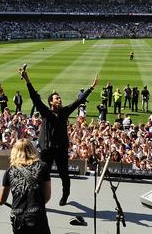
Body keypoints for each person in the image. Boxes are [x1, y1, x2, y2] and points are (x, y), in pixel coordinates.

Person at [19, 67, 97, 206]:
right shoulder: (45, 112)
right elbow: (34, 98)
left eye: (59, 98)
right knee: (41, 174)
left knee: (64, 175)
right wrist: (27, 80)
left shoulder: (65, 111)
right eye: (56, 98)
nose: (59, 99)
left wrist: (90, 88)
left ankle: (65, 194)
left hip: (60, 149)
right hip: (46, 149)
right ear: (51, 102)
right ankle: (38, 198)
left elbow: (78, 102)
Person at [0, 139, 51, 234]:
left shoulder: (10, 171)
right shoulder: (43, 166)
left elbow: (2, 200)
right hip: (37, 216)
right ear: (32, 150)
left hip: (18, 218)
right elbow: (47, 197)